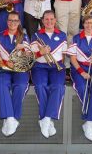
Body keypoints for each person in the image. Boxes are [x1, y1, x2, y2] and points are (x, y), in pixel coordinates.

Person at [30, 10, 67, 138]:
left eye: (51, 19)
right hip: (39, 66)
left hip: (57, 67)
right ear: (43, 21)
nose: (49, 22)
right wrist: (41, 53)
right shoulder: (36, 35)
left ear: (55, 20)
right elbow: (31, 56)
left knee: (58, 87)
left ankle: (45, 118)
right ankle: (48, 120)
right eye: (46, 19)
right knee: (40, 86)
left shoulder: (62, 35)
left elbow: (63, 55)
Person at [0, 11, 30, 136]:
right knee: (2, 85)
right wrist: (5, 62)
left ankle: (12, 119)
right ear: (7, 21)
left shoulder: (24, 37)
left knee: (20, 86)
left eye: (15, 20)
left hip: (19, 70)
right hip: (3, 69)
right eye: (10, 20)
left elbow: (28, 58)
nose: (12, 23)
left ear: (19, 22)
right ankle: (10, 118)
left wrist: (24, 51)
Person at [67, 15, 92, 141]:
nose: (89, 25)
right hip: (78, 68)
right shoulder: (76, 38)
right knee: (82, 87)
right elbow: (72, 58)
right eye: (87, 23)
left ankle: (89, 121)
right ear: (83, 24)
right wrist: (82, 72)